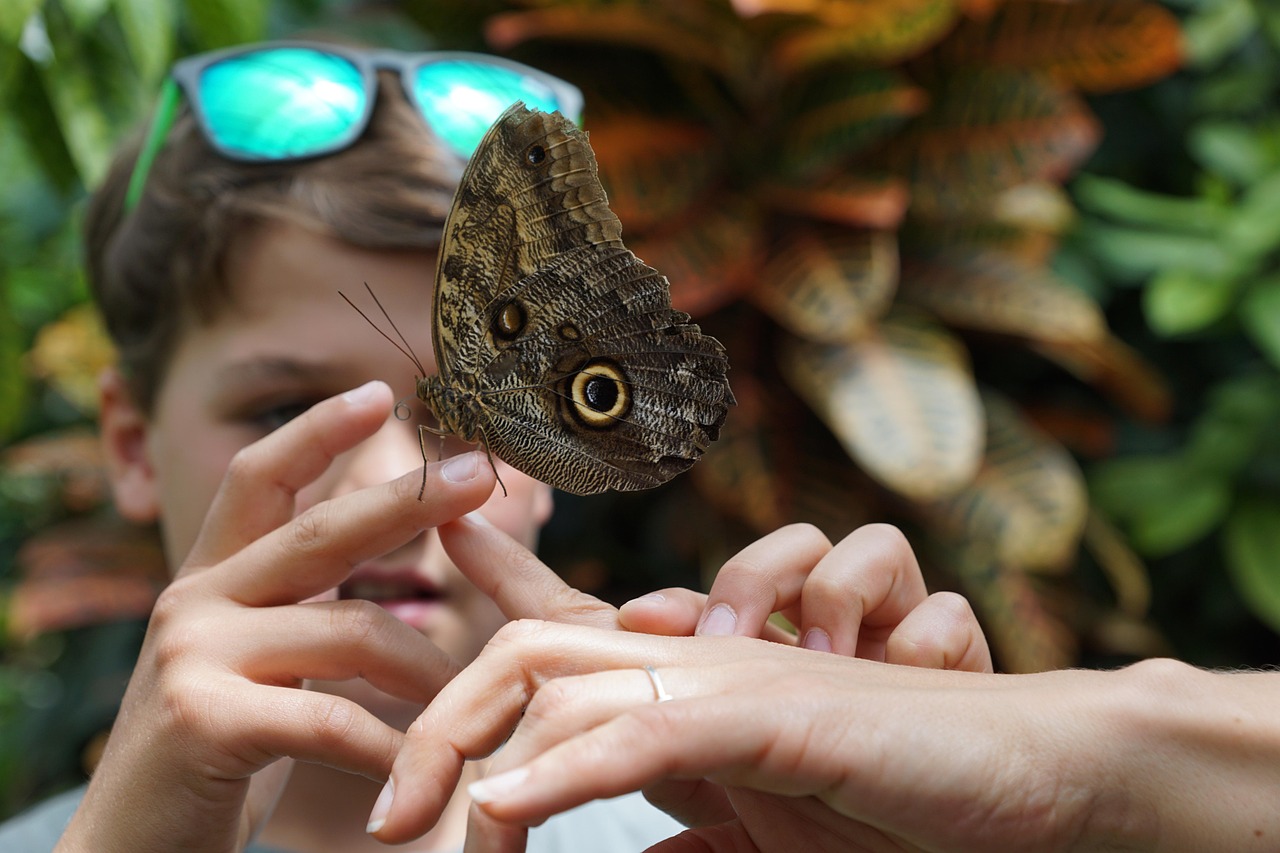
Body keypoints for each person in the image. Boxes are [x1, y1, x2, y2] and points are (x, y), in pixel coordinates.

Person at [0, 41, 992, 852]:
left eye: (436, 424)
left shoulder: (713, 834)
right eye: (281, 413)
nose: (392, 485)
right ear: (130, 445)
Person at [372, 528, 1280, 851]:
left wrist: (1061, 768)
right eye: (285, 407)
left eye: (461, 431)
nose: (387, 475)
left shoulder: (696, 810)